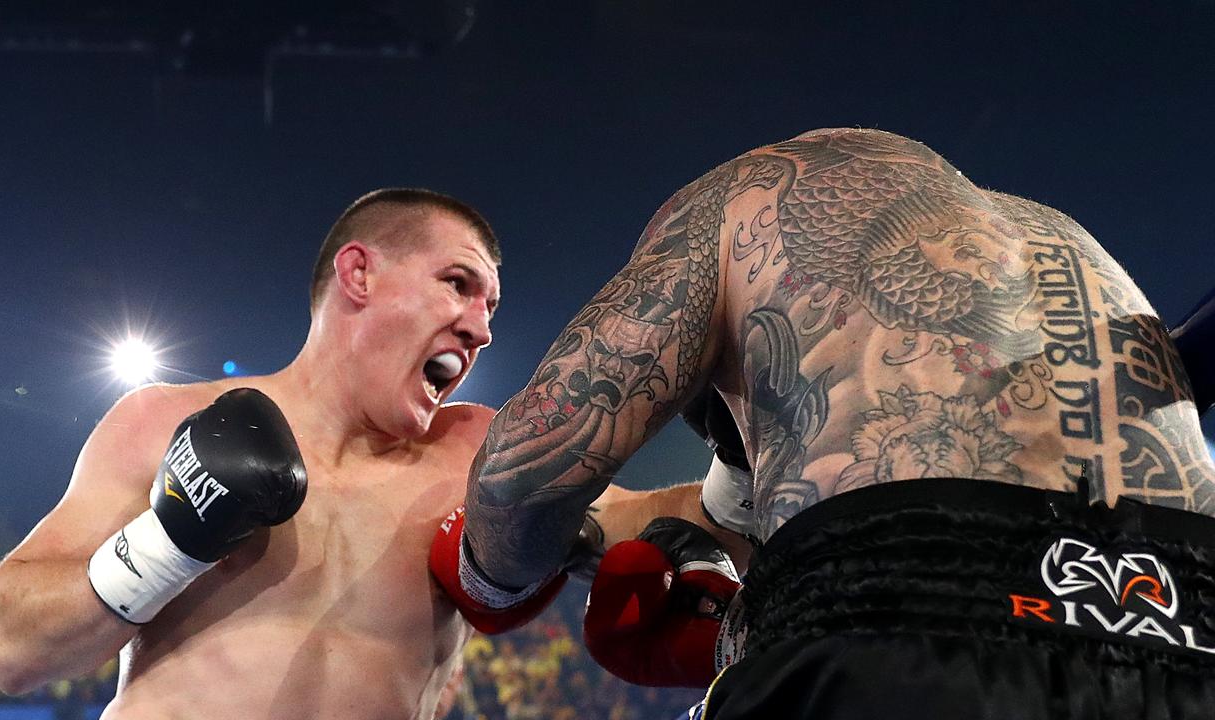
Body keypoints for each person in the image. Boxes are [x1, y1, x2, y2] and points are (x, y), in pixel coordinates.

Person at [442, 128, 1215, 718]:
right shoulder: (1066, 240)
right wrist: (732, 626)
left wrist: (493, 581)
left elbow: (530, 467)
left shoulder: (743, 199)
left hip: (901, 616)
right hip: (1189, 620)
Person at [0, 188, 505, 720]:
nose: (480, 329)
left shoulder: (475, 453)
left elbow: (598, 530)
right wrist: (166, 543)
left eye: (490, 308)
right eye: (457, 285)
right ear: (358, 274)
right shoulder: (163, 420)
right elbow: (13, 652)